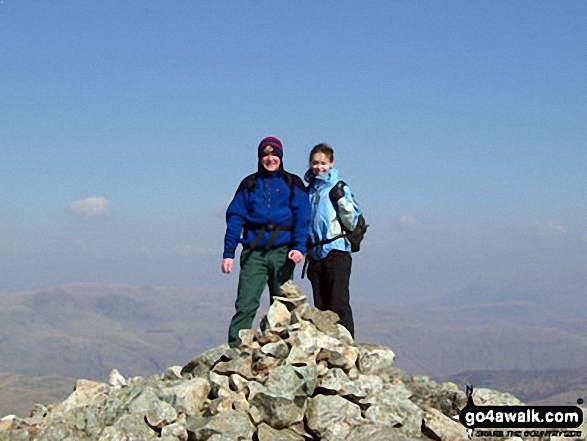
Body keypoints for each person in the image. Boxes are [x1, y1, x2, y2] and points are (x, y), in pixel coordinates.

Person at [222, 136, 311, 348]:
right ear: (260, 158)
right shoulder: (249, 184)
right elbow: (235, 217)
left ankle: (280, 350)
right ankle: (236, 349)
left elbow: (302, 217)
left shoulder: (293, 183)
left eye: (274, 155)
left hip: (283, 253)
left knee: (281, 305)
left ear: (281, 157)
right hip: (254, 253)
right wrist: (228, 252)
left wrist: (300, 247)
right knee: (246, 304)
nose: (270, 159)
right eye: (265, 155)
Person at [304, 143, 361, 338]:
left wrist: (342, 201)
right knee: (320, 308)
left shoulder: (338, 188)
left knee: (338, 305)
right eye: (315, 163)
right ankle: (327, 353)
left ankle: (347, 350)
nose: (319, 167)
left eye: (323, 163)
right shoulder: (310, 191)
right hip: (316, 256)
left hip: (337, 252)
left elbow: (352, 222)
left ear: (331, 163)